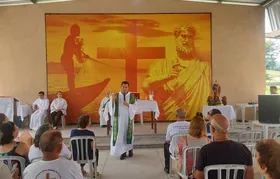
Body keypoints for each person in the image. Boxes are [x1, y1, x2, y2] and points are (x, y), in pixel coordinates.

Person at [142, 25, 210, 119]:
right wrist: (167, 77)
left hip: (195, 118)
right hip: (169, 116)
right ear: (176, 38)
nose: (186, 40)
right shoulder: (161, 64)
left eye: (190, 37)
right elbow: (146, 86)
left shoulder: (203, 67)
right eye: (183, 36)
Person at [193, 114, 254, 179]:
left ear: (212, 129)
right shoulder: (244, 149)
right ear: (228, 128)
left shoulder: (205, 150)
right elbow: (249, 175)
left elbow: (198, 177)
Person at [108, 81, 137, 160]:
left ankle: (130, 149)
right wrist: (113, 100)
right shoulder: (116, 95)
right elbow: (111, 108)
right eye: (123, 86)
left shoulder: (132, 96)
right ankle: (123, 152)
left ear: (128, 87)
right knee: (121, 135)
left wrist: (127, 104)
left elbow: (135, 107)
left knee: (128, 135)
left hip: (128, 119)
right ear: (121, 87)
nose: (124, 88)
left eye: (126, 87)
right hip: (119, 119)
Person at [164, 108, 190, 174]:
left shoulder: (171, 126)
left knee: (165, 144)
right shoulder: (191, 124)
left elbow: (167, 140)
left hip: (176, 152)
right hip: (189, 150)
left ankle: (167, 168)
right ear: (185, 116)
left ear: (176, 116)